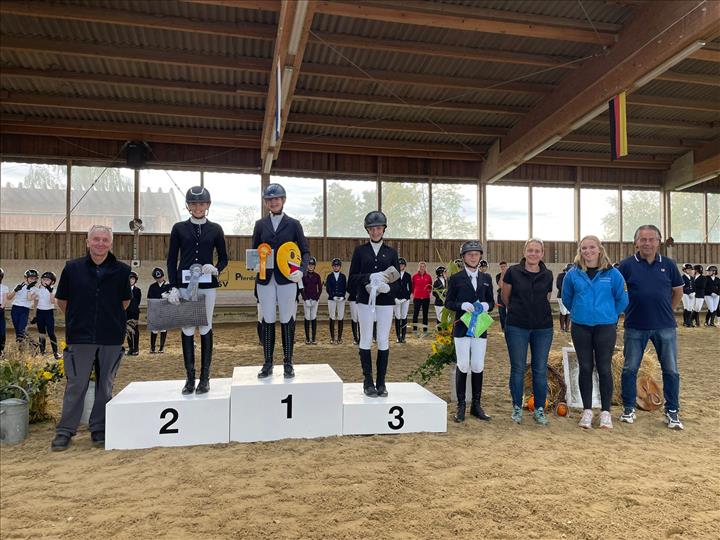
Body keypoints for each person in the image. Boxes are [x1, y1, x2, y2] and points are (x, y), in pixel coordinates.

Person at [51, 225, 132, 451]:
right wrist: (78, 319)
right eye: (96, 239)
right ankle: (65, 430)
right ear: (87, 242)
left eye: (105, 240)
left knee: (105, 385)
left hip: (111, 337)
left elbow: (125, 302)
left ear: (111, 244)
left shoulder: (122, 271)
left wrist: (108, 319)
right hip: (80, 337)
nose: (100, 243)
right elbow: (62, 301)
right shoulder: (72, 268)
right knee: (76, 384)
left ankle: (99, 427)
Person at [618, 224, 684, 430]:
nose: (647, 243)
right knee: (629, 369)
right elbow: (617, 292)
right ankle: (629, 408)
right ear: (636, 242)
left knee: (671, 370)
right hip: (635, 326)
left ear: (658, 242)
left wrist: (667, 310)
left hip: (665, 327)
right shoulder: (626, 265)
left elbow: (678, 292)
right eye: (643, 239)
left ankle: (672, 411)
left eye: (651, 239)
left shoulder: (669, 265)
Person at [562, 236, 628, 429]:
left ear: (600, 249)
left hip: (605, 327)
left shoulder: (613, 274)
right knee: (585, 367)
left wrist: (610, 315)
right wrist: (579, 312)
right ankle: (587, 411)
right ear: (580, 251)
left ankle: (606, 412)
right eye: (584, 248)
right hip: (580, 327)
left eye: (592, 247)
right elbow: (567, 298)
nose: (588, 251)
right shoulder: (572, 274)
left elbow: (622, 298)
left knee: (604, 368)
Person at [167, 186, 228, 394]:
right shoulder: (178, 228)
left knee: (205, 326)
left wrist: (216, 268)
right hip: (185, 285)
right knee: (187, 327)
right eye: (194, 204)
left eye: (201, 203)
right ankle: (190, 378)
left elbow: (224, 258)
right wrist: (173, 286)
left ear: (207, 205)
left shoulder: (216, 229)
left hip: (207, 285)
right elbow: (171, 259)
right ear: (188, 206)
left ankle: (205, 378)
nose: (198, 207)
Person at [253, 183, 310, 378]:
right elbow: (255, 251)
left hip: (287, 278)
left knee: (287, 318)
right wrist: (255, 265)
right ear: (266, 202)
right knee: (267, 319)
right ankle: (268, 362)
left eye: (276, 199)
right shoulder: (260, 224)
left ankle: (288, 362)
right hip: (265, 279)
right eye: (269, 200)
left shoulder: (294, 224)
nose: (273, 202)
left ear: (283, 200)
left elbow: (305, 251)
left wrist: (301, 270)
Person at [502, 238, 554, 425]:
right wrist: (519, 311)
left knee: (540, 369)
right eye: (530, 250)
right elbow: (505, 297)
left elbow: (546, 297)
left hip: (543, 328)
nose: (533, 253)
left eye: (537, 250)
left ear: (542, 253)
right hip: (517, 326)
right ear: (524, 252)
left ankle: (539, 409)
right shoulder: (512, 272)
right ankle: (517, 406)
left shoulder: (548, 275)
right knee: (518, 368)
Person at [349, 211, 400, 397]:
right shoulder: (360, 251)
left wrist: (388, 288)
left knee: (383, 339)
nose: (375, 231)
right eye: (372, 229)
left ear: (383, 229)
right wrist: (369, 278)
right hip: (365, 300)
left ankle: (381, 382)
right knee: (366, 338)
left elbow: (398, 282)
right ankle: (368, 381)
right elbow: (351, 280)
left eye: (378, 228)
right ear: (367, 230)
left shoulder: (391, 253)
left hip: (385, 302)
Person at [445, 241, 495, 423]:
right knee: (463, 364)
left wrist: (486, 305)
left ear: (480, 256)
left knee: (478, 365)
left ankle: (476, 405)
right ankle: (461, 405)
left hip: (480, 328)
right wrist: (461, 305)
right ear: (463, 257)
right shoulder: (456, 278)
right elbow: (448, 303)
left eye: (476, 254)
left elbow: (491, 302)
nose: (473, 257)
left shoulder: (486, 278)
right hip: (462, 327)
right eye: (469, 254)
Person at [33, 271, 61, 359]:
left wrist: (50, 292)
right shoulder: (38, 289)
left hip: (48, 313)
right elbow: (35, 302)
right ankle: (42, 351)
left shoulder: (53, 289)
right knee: (41, 333)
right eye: (44, 279)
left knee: (51, 333)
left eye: (47, 280)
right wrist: (34, 315)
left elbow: (52, 302)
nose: (45, 281)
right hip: (40, 312)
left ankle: (55, 352)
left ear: (52, 282)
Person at [7, 268, 38, 347]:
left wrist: (28, 289)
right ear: (25, 278)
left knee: (21, 330)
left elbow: (29, 299)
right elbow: (9, 298)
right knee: (18, 331)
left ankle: (34, 345)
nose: (33, 280)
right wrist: (15, 290)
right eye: (31, 278)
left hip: (25, 310)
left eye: (35, 279)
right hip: (15, 309)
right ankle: (22, 349)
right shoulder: (19, 286)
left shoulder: (36, 290)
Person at [147, 267, 171, 353]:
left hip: (165, 310)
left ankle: (161, 347)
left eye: (160, 277)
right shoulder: (152, 286)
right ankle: (153, 347)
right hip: (155, 310)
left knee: (163, 328)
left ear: (163, 276)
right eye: (157, 278)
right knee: (154, 329)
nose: (159, 279)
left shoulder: (169, 286)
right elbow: (149, 298)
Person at [326, 258, 347, 344]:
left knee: (341, 317)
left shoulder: (343, 276)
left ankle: (339, 337)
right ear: (332, 266)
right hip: (332, 299)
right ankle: (332, 337)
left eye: (337, 266)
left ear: (340, 267)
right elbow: (328, 288)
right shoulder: (329, 276)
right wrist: (333, 296)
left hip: (341, 299)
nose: (336, 267)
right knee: (332, 317)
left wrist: (342, 296)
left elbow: (344, 287)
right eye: (334, 266)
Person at [301, 257, 322, 344]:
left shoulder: (317, 276)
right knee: (307, 317)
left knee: (313, 317)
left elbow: (320, 289)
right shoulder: (303, 276)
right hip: (306, 299)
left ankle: (313, 338)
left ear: (314, 266)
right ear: (307, 265)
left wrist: (316, 299)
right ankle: (307, 338)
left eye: (312, 265)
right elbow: (301, 288)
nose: (311, 266)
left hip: (314, 300)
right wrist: (305, 299)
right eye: (309, 265)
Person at [392, 258, 412, 343]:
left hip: (405, 299)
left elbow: (410, 288)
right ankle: (398, 336)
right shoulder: (394, 275)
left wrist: (406, 298)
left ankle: (403, 336)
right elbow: (392, 287)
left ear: (405, 266)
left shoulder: (408, 275)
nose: (401, 266)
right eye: (399, 265)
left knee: (404, 316)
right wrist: (394, 298)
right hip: (396, 299)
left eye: (402, 265)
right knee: (397, 316)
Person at [411, 261, 432, 336]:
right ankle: (414, 330)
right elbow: (412, 287)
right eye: (420, 266)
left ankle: (425, 331)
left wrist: (426, 293)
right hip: (417, 298)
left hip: (426, 298)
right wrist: (415, 293)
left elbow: (430, 287)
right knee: (415, 314)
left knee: (425, 315)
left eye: (423, 266)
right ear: (418, 267)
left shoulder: (428, 276)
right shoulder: (414, 276)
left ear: (425, 267)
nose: (422, 268)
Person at [125, 271, 142, 356]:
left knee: (134, 330)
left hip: (134, 313)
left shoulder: (137, 290)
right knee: (128, 330)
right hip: (126, 312)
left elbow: (137, 301)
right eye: (130, 279)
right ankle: (131, 347)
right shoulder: (124, 290)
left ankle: (136, 348)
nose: (131, 280)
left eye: (133, 279)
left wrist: (133, 309)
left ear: (135, 280)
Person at [556, 263, 572, 332]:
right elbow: (558, 285)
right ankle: (562, 327)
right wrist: (567, 291)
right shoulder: (561, 275)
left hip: (570, 296)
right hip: (561, 296)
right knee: (563, 312)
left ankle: (567, 328)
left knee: (568, 312)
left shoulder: (572, 276)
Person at [680, 263, 695, 328]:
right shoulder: (682, 277)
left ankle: (689, 322)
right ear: (684, 270)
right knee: (687, 307)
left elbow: (694, 286)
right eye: (688, 269)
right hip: (685, 294)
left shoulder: (692, 277)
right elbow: (683, 287)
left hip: (692, 294)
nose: (689, 270)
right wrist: (689, 293)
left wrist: (694, 292)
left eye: (690, 269)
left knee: (690, 308)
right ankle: (686, 322)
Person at [347, 273, 360, 345]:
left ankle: (361, 337)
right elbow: (348, 288)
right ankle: (355, 338)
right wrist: (355, 294)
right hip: (353, 299)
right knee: (354, 318)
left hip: (362, 300)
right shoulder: (351, 277)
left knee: (361, 319)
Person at [691, 264, 706, 328]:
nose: (692, 271)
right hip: (693, 295)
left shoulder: (703, 278)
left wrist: (693, 286)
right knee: (694, 308)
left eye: (693, 270)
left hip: (700, 295)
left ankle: (690, 320)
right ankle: (697, 323)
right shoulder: (693, 278)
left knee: (697, 309)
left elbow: (703, 286)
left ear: (696, 270)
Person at [495, 261, 508, 332]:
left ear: (507, 266)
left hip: (510, 295)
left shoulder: (511, 275)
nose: (503, 268)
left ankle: (510, 326)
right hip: (501, 294)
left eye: (504, 266)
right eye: (501, 267)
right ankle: (504, 327)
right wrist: (502, 275)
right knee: (501, 311)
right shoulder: (498, 276)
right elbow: (500, 285)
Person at [0, 267, 6, 357]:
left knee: (1, 332)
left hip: (1, 310)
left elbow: (4, 300)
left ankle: (1, 350)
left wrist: (1, 307)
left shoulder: (4, 287)